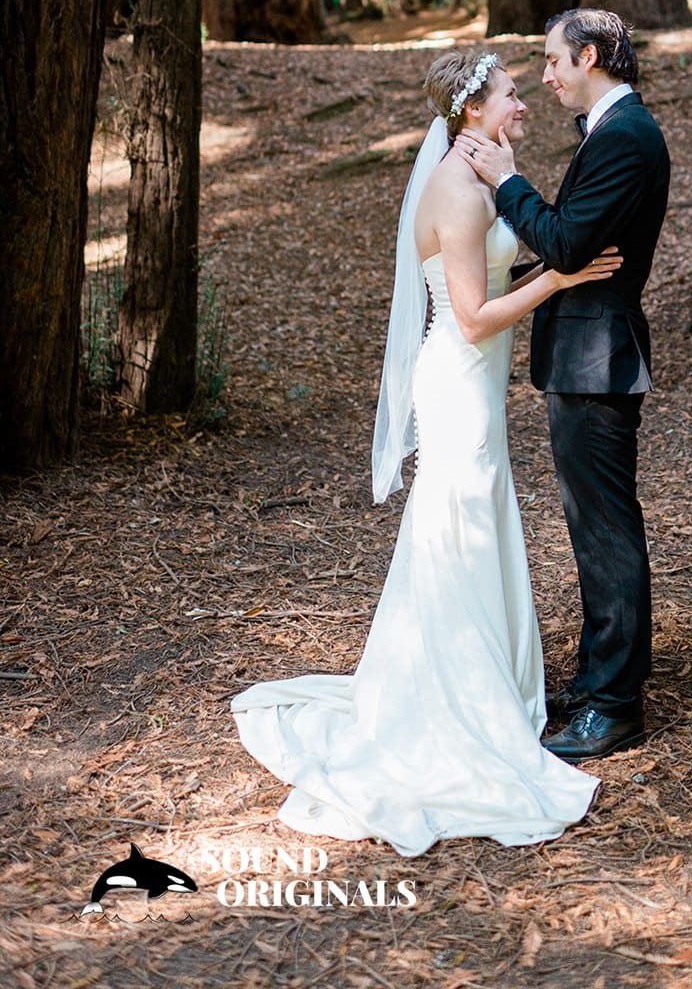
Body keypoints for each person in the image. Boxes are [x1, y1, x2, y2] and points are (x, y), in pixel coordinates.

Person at [231, 49, 620, 857]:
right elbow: (474, 317)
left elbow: (511, 243)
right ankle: (457, 701)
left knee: (471, 518)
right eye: (513, 92)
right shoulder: (452, 187)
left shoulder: (478, 170)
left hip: (473, 385)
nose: (524, 100)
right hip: (458, 382)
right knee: (460, 525)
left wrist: (536, 220)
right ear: (473, 109)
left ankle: (493, 686)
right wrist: (562, 280)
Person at [460, 8, 670, 762]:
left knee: (607, 533)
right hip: (585, 355)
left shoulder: (627, 137)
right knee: (593, 530)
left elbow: (566, 242)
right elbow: (568, 248)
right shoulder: (613, 132)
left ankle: (615, 706)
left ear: (589, 57)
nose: (545, 77)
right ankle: (597, 679)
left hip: (597, 358)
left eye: (553, 62)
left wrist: (511, 183)